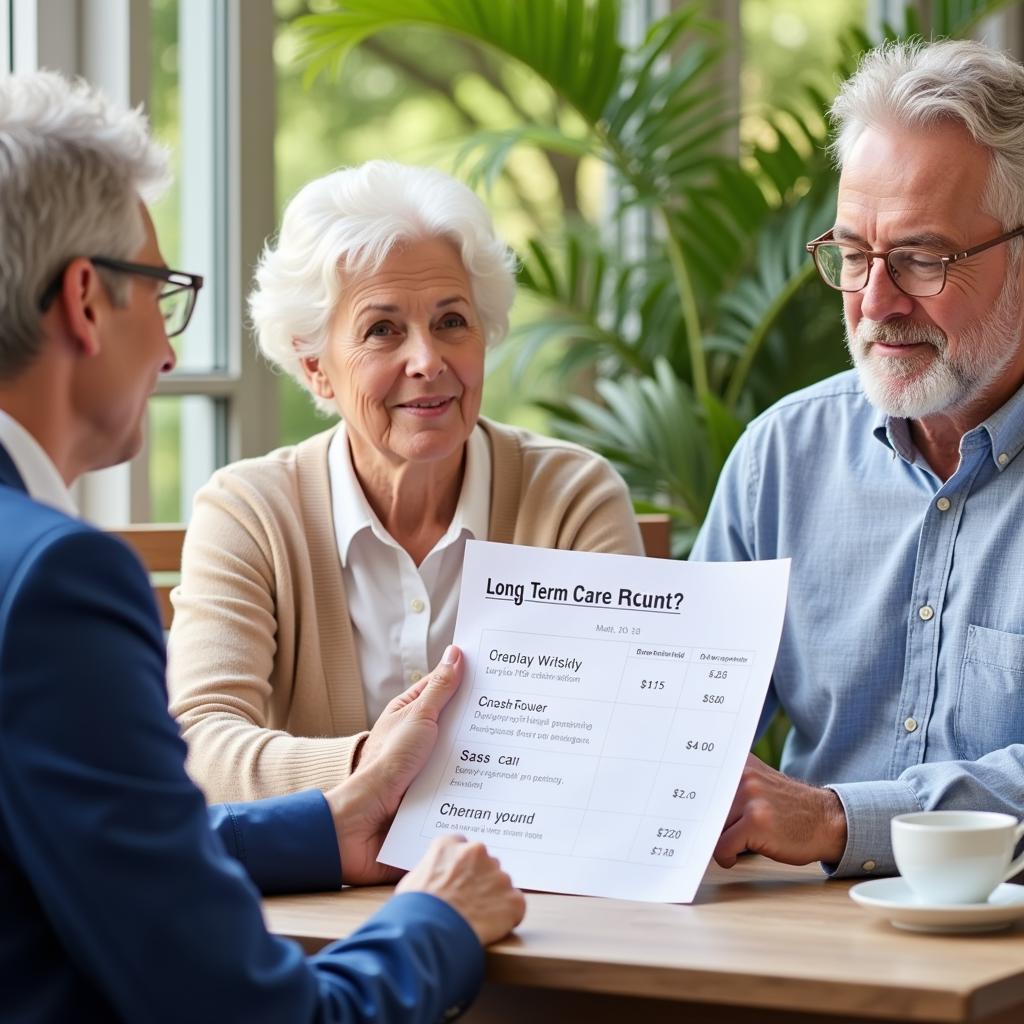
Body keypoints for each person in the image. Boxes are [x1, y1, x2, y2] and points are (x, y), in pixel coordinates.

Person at [0, 69, 524, 1024]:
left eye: (452, 322)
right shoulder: (53, 582)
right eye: (157, 290)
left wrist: (328, 827)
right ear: (85, 299)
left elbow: (100, 846)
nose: (167, 348)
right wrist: (437, 922)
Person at [166, 160, 643, 803]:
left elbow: (623, 731)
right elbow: (198, 744)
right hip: (318, 892)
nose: (428, 361)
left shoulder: (572, 497)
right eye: (382, 330)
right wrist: (375, 761)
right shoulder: (249, 511)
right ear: (316, 369)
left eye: (451, 322)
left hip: (527, 886)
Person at [693, 38, 1024, 879]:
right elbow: (681, 712)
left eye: (919, 258)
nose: (873, 301)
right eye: (851, 254)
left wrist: (841, 820)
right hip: (793, 944)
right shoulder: (781, 458)